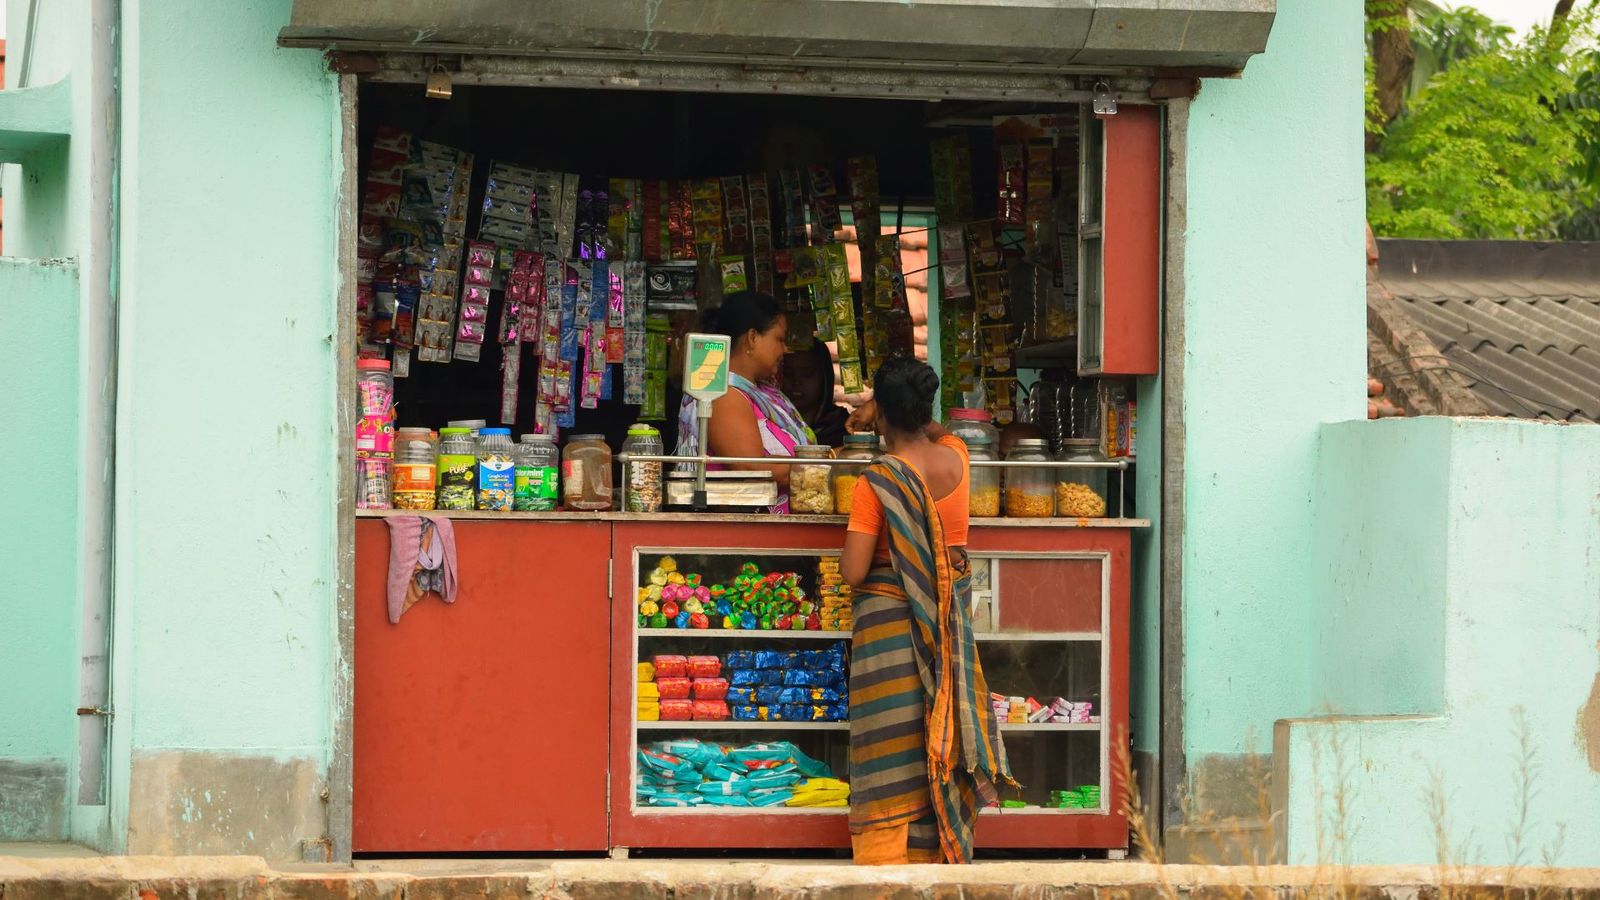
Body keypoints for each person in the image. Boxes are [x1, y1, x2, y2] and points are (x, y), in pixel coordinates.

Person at [839, 356, 1015, 865]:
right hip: (947, 624)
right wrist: (897, 411)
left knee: (889, 739)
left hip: (891, 632)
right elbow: (936, 430)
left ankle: (888, 856)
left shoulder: (878, 482)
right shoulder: (958, 456)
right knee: (936, 731)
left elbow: (853, 572)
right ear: (926, 408)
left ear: (883, 416)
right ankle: (936, 851)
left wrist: (880, 413)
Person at [675, 291, 814, 511]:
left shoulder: (759, 391)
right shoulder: (723, 394)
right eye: (779, 339)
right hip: (744, 533)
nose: (784, 349)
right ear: (752, 337)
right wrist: (822, 468)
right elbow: (750, 467)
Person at [780, 340, 851, 448]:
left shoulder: (842, 426)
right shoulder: (770, 424)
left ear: (825, 378)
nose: (796, 381)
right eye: (788, 373)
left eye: (807, 373)